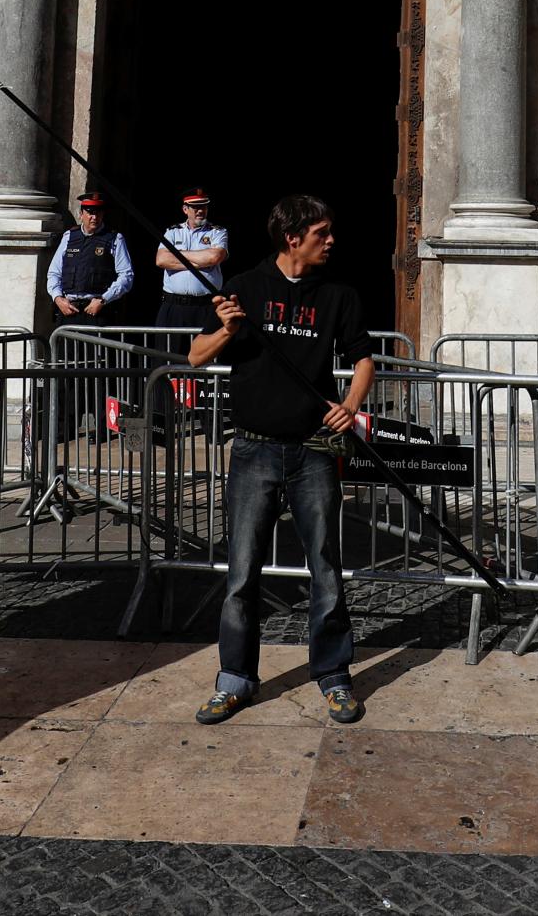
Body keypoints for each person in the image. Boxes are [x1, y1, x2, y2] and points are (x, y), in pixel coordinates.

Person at [188, 195, 378, 728]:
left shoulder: (339, 295)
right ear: (292, 238)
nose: (332, 240)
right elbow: (195, 357)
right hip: (253, 449)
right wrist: (226, 328)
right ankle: (234, 680)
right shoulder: (244, 288)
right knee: (242, 571)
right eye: (323, 232)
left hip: (315, 449)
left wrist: (351, 405)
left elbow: (364, 359)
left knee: (326, 567)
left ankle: (335, 676)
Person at [47, 193, 132, 324]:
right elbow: (54, 273)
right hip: (69, 310)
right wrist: (58, 299)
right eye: (90, 212)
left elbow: (126, 276)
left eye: (98, 213)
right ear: (81, 214)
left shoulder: (114, 239)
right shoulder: (69, 237)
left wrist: (103, 300)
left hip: (97, 311)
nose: (94, 217)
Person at [155, 187, 229, 331]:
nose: (200, 211)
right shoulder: (173, 232)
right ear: (185, 209)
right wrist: (201, 260)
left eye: (203, 206)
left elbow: (214, 257)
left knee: (205, 352)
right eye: (195, 207)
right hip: (174, 307)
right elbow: (161, 260)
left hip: (206, 306)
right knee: (168, 352)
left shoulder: (217, 232)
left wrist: (177, 254)